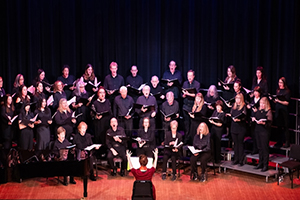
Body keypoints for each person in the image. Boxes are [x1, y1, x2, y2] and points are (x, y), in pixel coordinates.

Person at [252, 97, 272, 172]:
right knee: (259, 148)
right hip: (257, 130)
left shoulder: (268, 111)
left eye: (263, 104)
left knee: (264, 148)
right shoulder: (259, 111)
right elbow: (256, 117)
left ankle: (265, 165)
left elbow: (269, 123)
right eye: (261, 103)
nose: (262, 105)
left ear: (266, 104)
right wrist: (254, 118)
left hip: (264, 132)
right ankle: (260, 163)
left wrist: (263, 123)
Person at [227, 93, 247, 166]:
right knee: (235, 144)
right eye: (236, 99)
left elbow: (244, 117)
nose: (237, 100)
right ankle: (236, 159)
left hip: (241, 127)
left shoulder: (243, 106)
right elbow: (232, 113)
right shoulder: (233, 106)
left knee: (240, 143)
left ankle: (241, 160)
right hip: (234, 127)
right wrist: (230, 116)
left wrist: (239, 120)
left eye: (239, 99)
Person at [182, 70, 201, 139]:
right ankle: (186, 138)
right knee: (186, 123)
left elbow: (198, 95)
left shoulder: (197, 84)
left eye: (190, 76)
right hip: (186, 105)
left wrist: (189, 94)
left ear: (193, 76)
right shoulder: (185, 83)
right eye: (188, 76)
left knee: (193, 123)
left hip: (193, 106)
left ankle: (192, 138)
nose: (189, 77)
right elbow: (182, 93)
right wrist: (183, 95)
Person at [273, 77, 291, 148]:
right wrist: (274, 100)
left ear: (284, 83)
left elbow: (287, 103)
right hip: (278, 110)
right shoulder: (278, 90)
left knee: (285, 126)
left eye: (281, 82)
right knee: (278, 127)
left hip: (284, 110)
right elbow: (277, 100)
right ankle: (279, 142)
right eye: (279, 82)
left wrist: (279, 101)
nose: (279, 84)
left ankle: (287, 142)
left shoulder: (287, 91)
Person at [247, 86, 262, 154]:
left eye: (257, 92)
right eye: (255, 92)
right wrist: (249, 107)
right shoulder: (252, 99)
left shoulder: (261, 100)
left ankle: (259, 149)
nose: (255, 93)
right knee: (253, 135)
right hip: (252, 119)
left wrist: (257, 110)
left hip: (258, 119)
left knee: (258, 135)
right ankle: (254, 149)